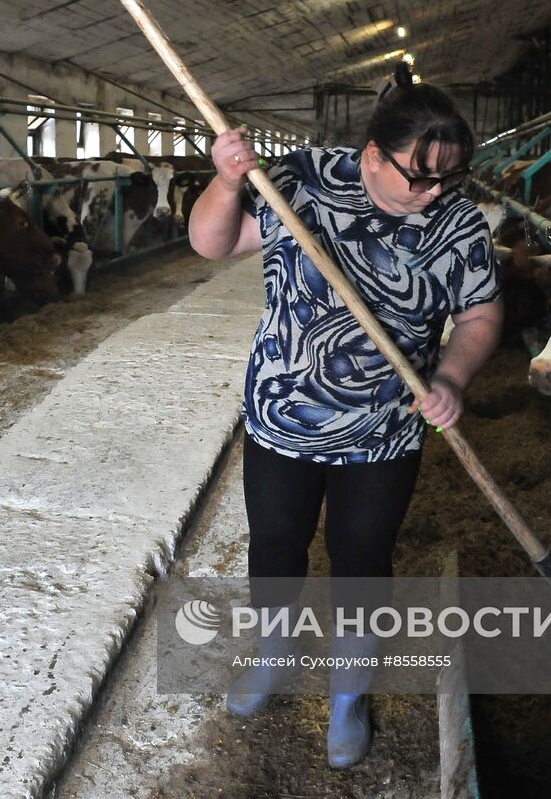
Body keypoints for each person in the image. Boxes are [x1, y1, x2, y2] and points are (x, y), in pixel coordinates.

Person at [187, 61, 503, 769]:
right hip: (282, 418)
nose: (432, 193)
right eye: (416, 176)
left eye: (447, 177)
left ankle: (347, 694)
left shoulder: (458, 223)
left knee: (362, 561)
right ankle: (274, 658)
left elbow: (481, 312)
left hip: (386, 430)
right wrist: (228, 178)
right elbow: (212, 242)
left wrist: (452, 374)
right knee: (276, 548)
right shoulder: (300, 180)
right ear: (371, 155)